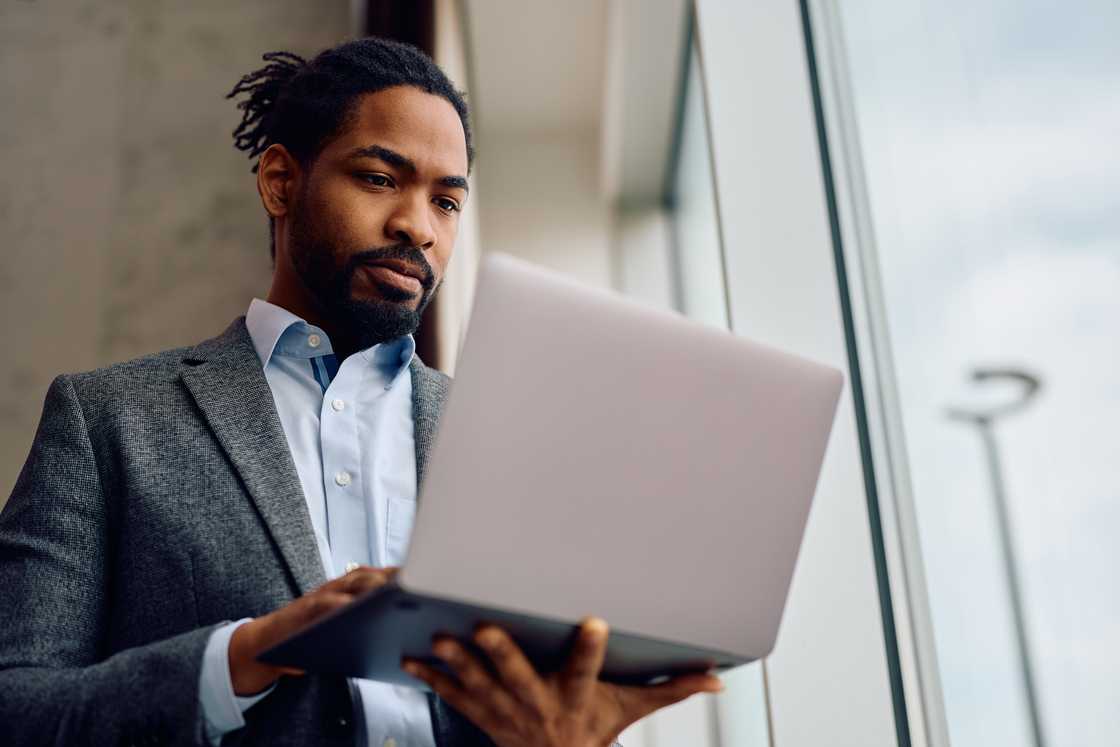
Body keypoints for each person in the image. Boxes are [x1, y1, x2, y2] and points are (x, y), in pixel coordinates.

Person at [0, 38, 721, 747]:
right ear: (281, 180)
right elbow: (16, 702)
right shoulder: (108, 421)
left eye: (446, 201)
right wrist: (246, 653)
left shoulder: (506, 442)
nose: (418, 226)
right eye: (380, 178)